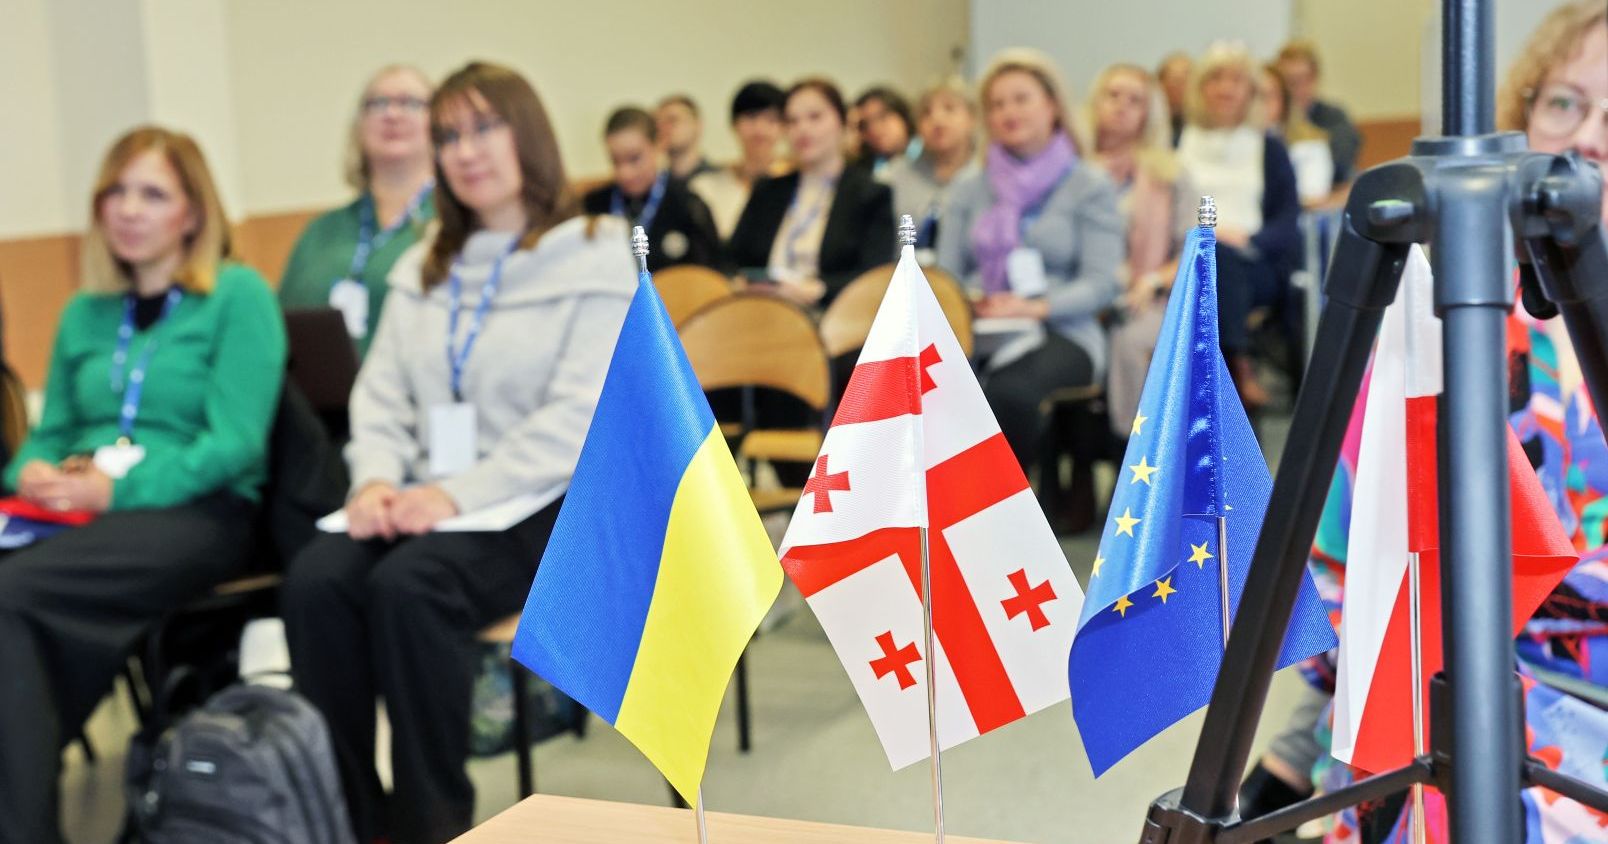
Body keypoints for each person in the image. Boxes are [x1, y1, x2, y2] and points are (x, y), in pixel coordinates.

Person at [280, 61, 635, 844]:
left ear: (528, 134)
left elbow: (579, 414)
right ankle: (350, 817)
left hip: (548, 501)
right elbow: (381, 396)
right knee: (315, 582)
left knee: (412, 589)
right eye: (449, 137)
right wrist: (372, 480)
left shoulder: (597, 249)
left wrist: (453, 496)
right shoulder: (423, 265)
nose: (465, 151)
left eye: (484, 128)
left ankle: (428, 822)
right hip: (427, 499)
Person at [0, 126, 286, 844]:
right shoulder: (85, 312)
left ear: (192, 212)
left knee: (10, 600)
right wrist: (28, 470)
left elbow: (235, 444)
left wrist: (113, 493)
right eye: (116, 193)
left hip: (197, 512)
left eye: (152, 194)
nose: (128, 209)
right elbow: (50, 430)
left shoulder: (237, 296)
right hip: (77, 516)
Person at [937, 48, 1125, 471]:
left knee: (1009, 394)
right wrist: (970, 300)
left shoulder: (1087, 184)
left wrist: (1036, 306)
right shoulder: (970, 186)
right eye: (997, 104)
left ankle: (999, 518)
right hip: (978, 327)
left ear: (1053, 106)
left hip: (1064, 329)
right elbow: (943, 275)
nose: (1008, 112)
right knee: (919, 388)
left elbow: (1101, 283)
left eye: (1021, 99)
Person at [1173, 42, 1302, 410]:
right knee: (1213, 259)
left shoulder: (1269, 147)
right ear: (1200, 87)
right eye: (1215, 78)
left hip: (1253, 261)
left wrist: (1247, 239)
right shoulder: (1177, 142)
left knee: (1223, 262)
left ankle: (1234, 364)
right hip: (1186, 255)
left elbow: (1287, 221)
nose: (1225, 88)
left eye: (1236, 80)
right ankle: (1237, 367)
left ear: (1251, 91)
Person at [279, 65, 436, 358]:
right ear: (359, 126)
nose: (392, 114)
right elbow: (282, 327)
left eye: (410, 103)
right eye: (378, 103)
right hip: (322, 399)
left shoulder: (451, 225)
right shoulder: (322, 231)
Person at [1076, 63, 1194, 439]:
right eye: (1113, 96)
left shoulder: (1171, 173)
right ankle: (1073, 466)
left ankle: (1130, 455)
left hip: (1145, 297)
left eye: (1135, 100)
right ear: (1095, 103)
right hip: (1079, 297)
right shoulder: (1069, 171)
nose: (1122, 106)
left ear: (1150, 114)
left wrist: (1153, 279)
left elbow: (1194, 249)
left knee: (1132, 340)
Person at [727, 77, 895, 308]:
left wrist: (818, 289)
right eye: (792, 121)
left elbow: (876, 278)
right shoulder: (768, 191)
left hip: (833, 319)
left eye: (815, 117)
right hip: (762, 311)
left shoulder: (870, 195)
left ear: (842, 122)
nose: (802, 129)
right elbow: (730, 259)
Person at [582, 106, 722, 272]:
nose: (625, 173)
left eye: (634, 159)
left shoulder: (688, 207)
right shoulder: (592, 208)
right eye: (615, 161)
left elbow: (712, 276)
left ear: (658, 144)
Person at [688, 80, 790, 240]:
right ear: (734, 124)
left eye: (771, 119)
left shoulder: (797, 188)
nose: (760, 129)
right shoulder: (705, 188)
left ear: (784, 127)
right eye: (751, 117)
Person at [886, 78, 980, 251]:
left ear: (972, 118)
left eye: (949, 109)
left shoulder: (987, 177)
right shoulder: (894, 176)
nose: (937, 119)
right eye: (926, 113)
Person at [1275, 40, 1361, 186]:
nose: (1295, 90)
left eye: (1302, 80)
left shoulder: (1334, 117)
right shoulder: (1270, 121)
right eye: (1288, 82)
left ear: (1315, 79)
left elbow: (1340, 166)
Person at [1258, 63, 1335, 206]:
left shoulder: (1309, 144)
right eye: (1254, 96)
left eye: (1269, 96)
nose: (1260, 105)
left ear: (1284, 102)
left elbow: (1313, 199)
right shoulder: (1228, 141)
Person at [852, 86, 918, 178]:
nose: (874, 129)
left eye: (882, 116)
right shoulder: (860, 172)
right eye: (865, 125)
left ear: (903, 116)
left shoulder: (931, 154)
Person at [656, 93, 716, 181]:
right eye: (657, 123)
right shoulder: (656, 182)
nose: (663, 128)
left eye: (672, 120)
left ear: (697, 125)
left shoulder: (717, 180)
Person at [1157, 51, 1193, 146]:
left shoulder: (1201, 124)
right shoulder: (1148, 120)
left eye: (1188, 81)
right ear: (1161, 83)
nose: (1184, 88)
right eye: (1177, 81)